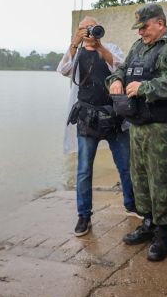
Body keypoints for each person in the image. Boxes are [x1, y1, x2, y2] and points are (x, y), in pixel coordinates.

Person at [107, 3, 167, 262]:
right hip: (139, 126)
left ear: (160, 22)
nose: (141, 32)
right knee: (141, 176)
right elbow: (122, 70)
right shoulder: (138, 47)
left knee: (164, 179)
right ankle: (148, 223)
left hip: (165, 127)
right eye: (139, 28)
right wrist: (115, 80)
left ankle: (164, 233)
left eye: (144, 27)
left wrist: (146, 87)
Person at [57, 17, 134, 236]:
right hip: (87, 118)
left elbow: (121, 66)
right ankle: (84, 216)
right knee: (83, 171)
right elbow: (63, 70)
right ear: (79, 31)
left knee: (126, 164)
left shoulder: (110, 48)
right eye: (85, 28)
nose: (90, 32)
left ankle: (132, 204)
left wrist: (99, 47)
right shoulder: (77, 52)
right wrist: (74, 43)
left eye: (92, 28)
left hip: (113, 116)